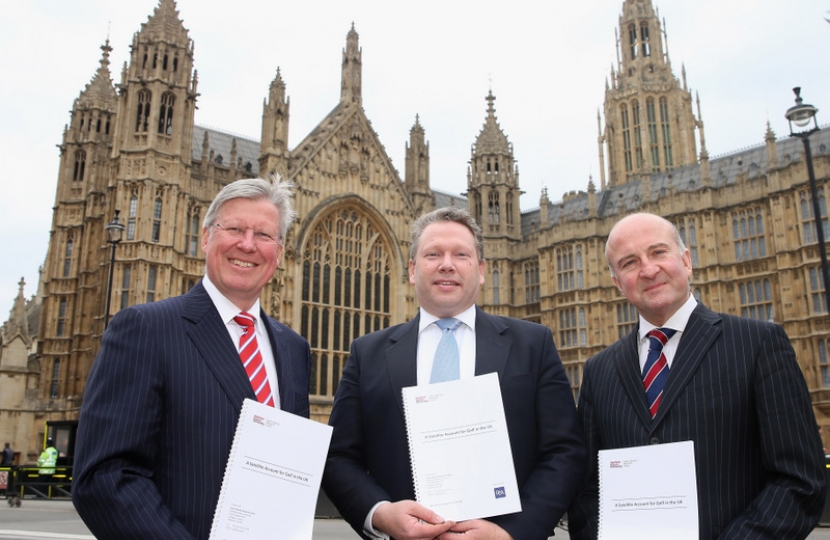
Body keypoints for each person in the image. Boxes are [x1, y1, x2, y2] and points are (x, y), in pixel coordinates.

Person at [323, 207, 586, 540]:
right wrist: (382, 514)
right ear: (413, 270)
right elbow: (339, 457)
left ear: (481, 270)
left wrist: (510, 534)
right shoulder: (367, 353)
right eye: (433, 254)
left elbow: (565, 451)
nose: (446, 264)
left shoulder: (533, 344)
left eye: (461, 254)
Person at [72, 177, 311, 540]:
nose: (247, 245)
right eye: (234, 229)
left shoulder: (293, 348)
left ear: (279, 252)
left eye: (264, 235)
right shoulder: (145, 329)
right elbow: (105, 477)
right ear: (205, 238)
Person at [568, 212, 826, 539]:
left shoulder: (758, 343)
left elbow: (800, 481)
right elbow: (586, 490)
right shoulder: (599, 370)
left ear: (686, 261)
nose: (648, 269)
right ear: (618, 282)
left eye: (658, 252)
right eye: (629, 263)